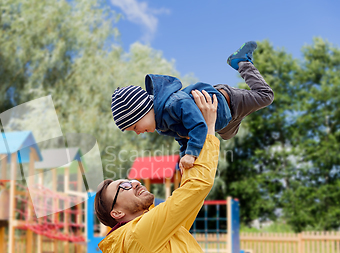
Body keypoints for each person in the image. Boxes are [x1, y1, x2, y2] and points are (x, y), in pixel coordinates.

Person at [95, 90, 226, 253]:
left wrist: (191, 145)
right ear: (117, 213)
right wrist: (209, 130)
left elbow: (190, 196)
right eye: (124, 186)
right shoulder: (139, 234)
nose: (135, 182)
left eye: (131, 180)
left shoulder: (158, 230)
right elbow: (197, 187)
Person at [111, 41, 274, 173]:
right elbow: (183, 139)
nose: (138, 132)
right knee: (228, 136)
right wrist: (185, 159)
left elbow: (198, 126)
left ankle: (241, 61)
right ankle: (246, 111)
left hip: (230, 101)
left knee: (266, 96)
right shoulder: (162, 126)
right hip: (225, 122)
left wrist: (191, 154)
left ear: (143, 111)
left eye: (134, 127)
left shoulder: (175, 103)